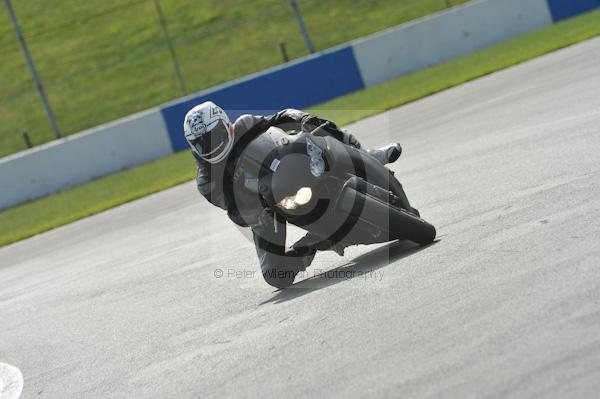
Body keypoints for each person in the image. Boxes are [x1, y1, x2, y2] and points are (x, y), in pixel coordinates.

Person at [183, 101, 403, 288]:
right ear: (194, 146)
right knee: (275, 275)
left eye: (215, 135)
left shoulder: (246, 124)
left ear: (226, 125)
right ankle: (310, 245)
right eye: (203, 143)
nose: (211, 145)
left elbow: (279, 118)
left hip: (287, 162)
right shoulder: (207, 180)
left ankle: (369, 155)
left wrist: (301, 118)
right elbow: (234, 210)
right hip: (264, 205)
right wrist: (257, 214)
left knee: (320, 132)